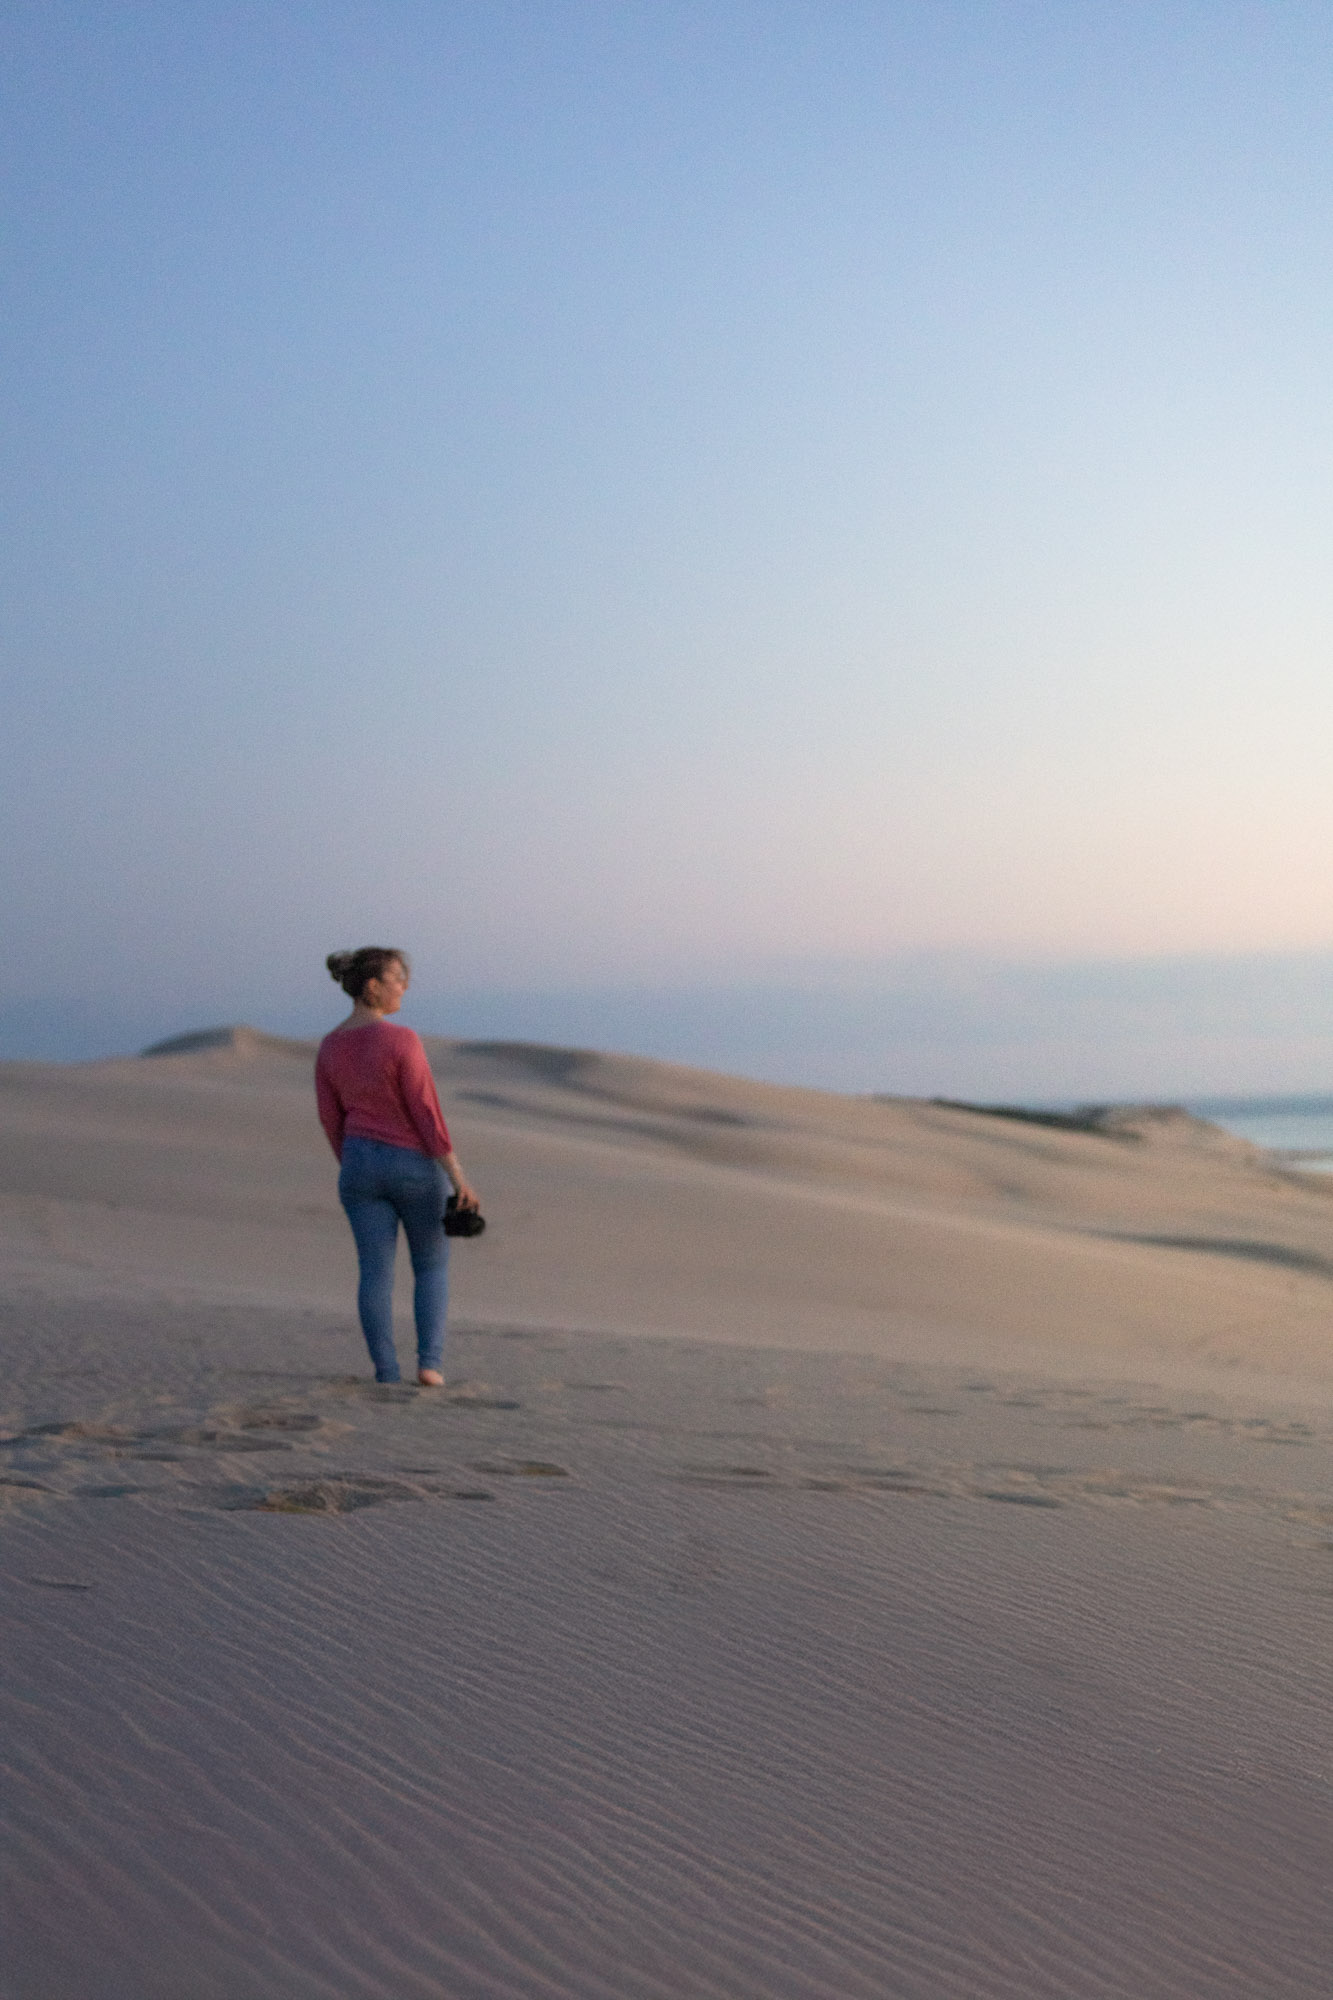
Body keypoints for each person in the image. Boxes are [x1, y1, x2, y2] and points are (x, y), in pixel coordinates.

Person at [315, 947, 481, 1387]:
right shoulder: (401, 1040)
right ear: (372, 986)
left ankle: (386, 1372)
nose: (403, 986)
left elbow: (331, 1120)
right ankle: (430, 1365)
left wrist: (355, 1164)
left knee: (374, 1273)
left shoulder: (330, 1047)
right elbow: (426, 1112)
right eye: (397, 978)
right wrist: (457, 1176)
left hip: (357, 1165)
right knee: (430, 1266)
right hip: (412, 1164)